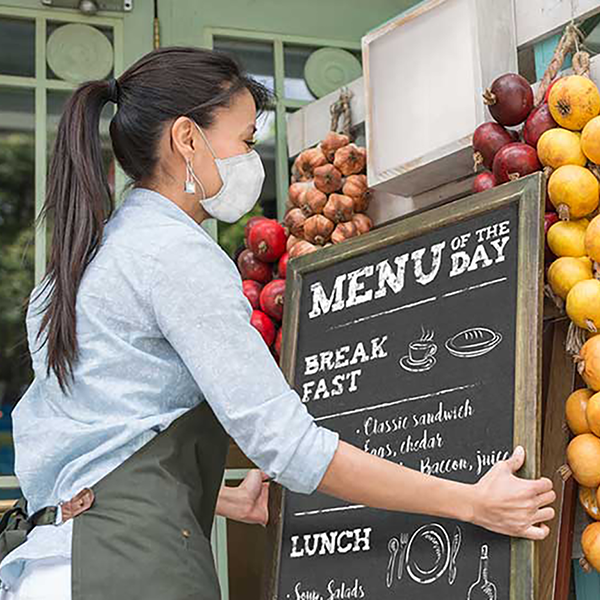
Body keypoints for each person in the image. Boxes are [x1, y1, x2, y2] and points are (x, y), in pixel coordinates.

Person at [0, 47, 555, 600]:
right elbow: (288, 446)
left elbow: (97, 439)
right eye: (244, 140)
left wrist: (217, 496)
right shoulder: (175, 254)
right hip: (128, 572)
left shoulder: (78, 264)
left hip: (50, 567)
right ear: (187, 139)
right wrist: (470, 501)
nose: (250, 157)